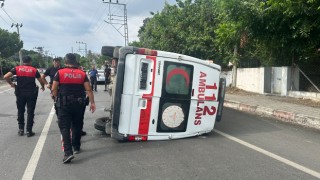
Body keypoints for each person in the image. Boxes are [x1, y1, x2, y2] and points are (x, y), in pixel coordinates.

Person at [52, 53, 96, 163]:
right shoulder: (82, 73)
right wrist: (92, 103)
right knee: (77, 125)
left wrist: (55, 98)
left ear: (65, 62)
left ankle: (68, 153)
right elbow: (89, 89)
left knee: (65, 127)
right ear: (75, 62)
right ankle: (76, 147)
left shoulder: (60, 72)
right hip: (79, 104)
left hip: (64, 104)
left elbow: (54, 88)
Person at [4, 56, 45, 137]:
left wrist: (11, 84)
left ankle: (21, 129)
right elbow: (41, 80)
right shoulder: (33, 70)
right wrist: (42, 86)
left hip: (20, 93)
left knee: (20, 111)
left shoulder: (17, 68)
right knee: (30, 112)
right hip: (31, 94)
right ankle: (29, 131)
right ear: (30, 61)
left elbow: (6, 76)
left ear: (23, 61)